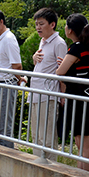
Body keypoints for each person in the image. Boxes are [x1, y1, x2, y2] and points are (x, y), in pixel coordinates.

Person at [56, 14, 89, 172]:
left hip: (78, 100)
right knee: (84, 144)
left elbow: (60, 72)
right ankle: (83, 175)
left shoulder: (76, 47)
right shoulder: (87, 46)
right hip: (87, 97)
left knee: (83, 144)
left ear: (70, 30)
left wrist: (63, 65)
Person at [28, 8, 67, 160]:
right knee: (36, 135)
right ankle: (38, 164)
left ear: (52, 24)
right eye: (36, 24)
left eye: (41, 24)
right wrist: (34, 58)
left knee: (47, 136)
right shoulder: (43, 41)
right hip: (36, 93)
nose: (38, 27)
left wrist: (62, 95)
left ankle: (50, 167)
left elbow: (62, 71)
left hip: (48, 95)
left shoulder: (59, 43)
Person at [0, 9, 23, 148]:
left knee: (3, 126)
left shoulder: (8, 39)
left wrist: (19, 79)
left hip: (4, 85)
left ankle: (6, 153)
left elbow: (17, 65)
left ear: (1, 22)